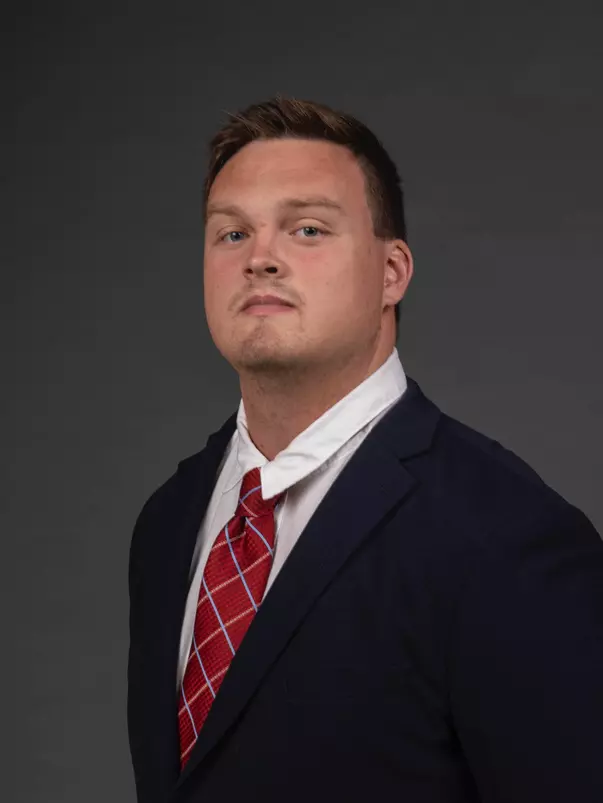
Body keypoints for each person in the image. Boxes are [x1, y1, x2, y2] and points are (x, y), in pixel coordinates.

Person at [127, 95, 603, 803]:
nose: (260, 257)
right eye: (231, 234)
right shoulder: (168, 521)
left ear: (392, 271)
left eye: (307, 228)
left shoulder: (506, 535)